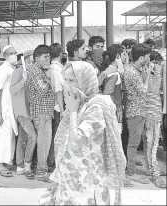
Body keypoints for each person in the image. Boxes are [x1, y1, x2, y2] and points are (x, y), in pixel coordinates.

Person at [40, 61, 126, 205]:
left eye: (72, 80)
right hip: (69, 180)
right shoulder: (76, 104)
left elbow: (76, 142)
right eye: (65, 80)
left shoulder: (96, 107)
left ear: (85, 80)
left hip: (88, 185)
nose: (67, 85)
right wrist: (57, 178)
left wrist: (73, 110)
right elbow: (64, 145)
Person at [123, 43, 152, 180]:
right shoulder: (132, 72)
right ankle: (130, 170)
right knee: (133, 142)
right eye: (147, 56)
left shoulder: (137, 69)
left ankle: (138, 166)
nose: (149, 58)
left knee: (142, 141)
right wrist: (147, 77)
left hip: (140, 110)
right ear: (141, 58)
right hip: (135, 111)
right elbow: (143, 91)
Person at [26, 45, 55, 182]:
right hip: (41, 111)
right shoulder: (35, 70)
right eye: (45, 57)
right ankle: (41, 172)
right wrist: (49, 78)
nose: (47, 59)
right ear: (37, 58)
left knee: (45, 142)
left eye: (48, 57)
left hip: (45, 111)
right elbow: (43, 88)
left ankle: (41, 170)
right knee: (44, 143)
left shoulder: (39, 70)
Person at [141, 50, 166, 188]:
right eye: (158, 63)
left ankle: (151, 169)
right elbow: (154, 89)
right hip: (152, 113)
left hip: (152, 111)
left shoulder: (147, 72)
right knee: (153, 144)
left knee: (150, 143)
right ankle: (154, 174)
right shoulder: (152, 73)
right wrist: (157, 72)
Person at [10, 51, 37, 180]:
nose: (31, 63)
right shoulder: (18, 72)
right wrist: (23, 80)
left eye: (33, 61)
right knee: (33, 136)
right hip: (21, 111)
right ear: (24, 61)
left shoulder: (33, 72)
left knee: (22, 139)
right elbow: (12, 90)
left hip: (30, 111)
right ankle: (27, 165)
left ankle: (20, 165)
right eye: (29, 61)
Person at [0, 45, 18, 177]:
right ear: (5, 56)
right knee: (3, 137)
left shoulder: (13, 68)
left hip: (11, 107)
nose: (14, 55)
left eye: (15, 52)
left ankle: (8, 162)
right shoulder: (4, 69)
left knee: (10, 137)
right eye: (10, 53)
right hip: (4, 108)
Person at [48, 43, 65, 172]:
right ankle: (52, 162)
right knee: (56, 136)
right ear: (60, 54)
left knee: (53, 135)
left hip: (51, 106)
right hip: (57, 107)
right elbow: (58, 90)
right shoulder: (57, 70)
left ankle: (51, 160)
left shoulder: (50, 68)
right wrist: (62, 108)